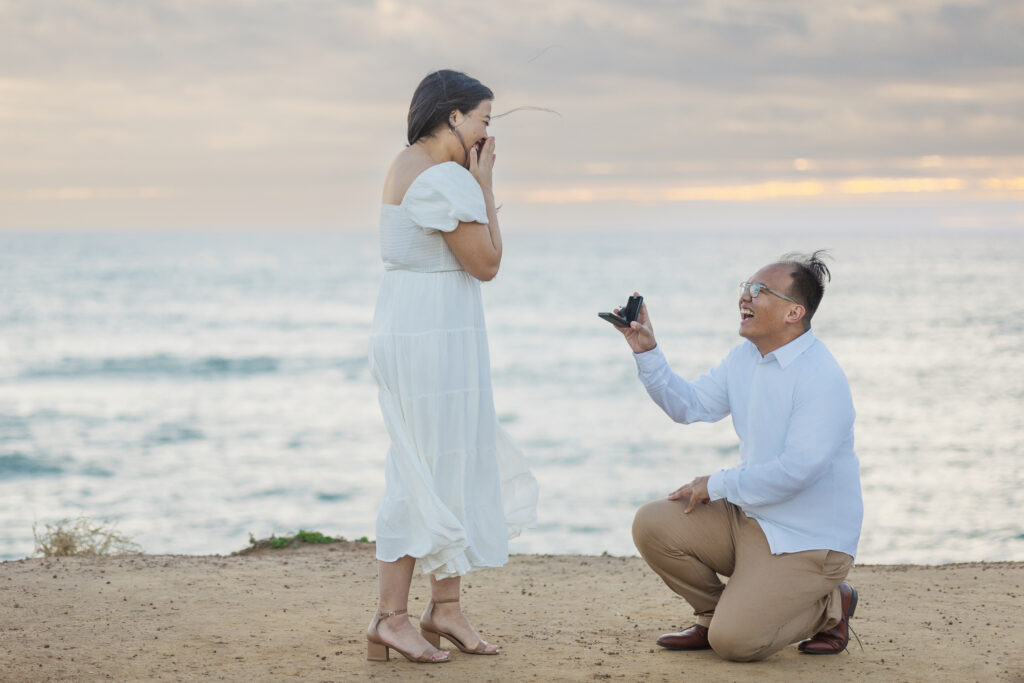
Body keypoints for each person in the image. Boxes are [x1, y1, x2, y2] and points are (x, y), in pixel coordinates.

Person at [365, 70, 538, 664]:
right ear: (454, 116)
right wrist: (484, 183)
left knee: (448, 456)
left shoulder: (405, 163)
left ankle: (445, 607)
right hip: (432, 329)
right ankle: (391, 617)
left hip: (422, 321)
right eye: (485, 119)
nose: (488, 132)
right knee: (421, 466)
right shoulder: (445, 178)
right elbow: (487, 263)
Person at [616, 251, 863, 662]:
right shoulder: (744, 359)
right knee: (653, 523)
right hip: (751, 518)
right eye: (744, 289)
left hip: (809, 540)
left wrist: (717, 484)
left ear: (794, 312)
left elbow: (796, 471)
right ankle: (714, 616)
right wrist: (647, 351)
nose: (744, 299)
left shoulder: (822, 377)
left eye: (759, 291)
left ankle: (831, 604)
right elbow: (688, 405)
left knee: (737, 644)